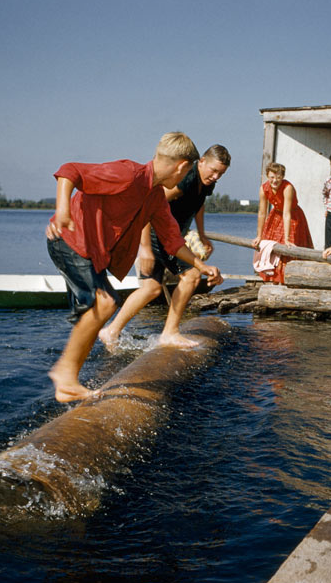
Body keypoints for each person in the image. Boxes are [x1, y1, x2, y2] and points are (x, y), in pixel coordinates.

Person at [45, 132, 223, 403]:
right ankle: (64, 376)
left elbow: (173, 241)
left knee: (106, 304)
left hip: (91, 253)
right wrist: (62, 211)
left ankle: (68, 379)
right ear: (182, 166)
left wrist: (201, 265)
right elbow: (70, 171)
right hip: (69, 240)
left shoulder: (154, 197)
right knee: (104, 303)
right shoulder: (127, 174)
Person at [99, 145, 231, 350]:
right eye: (213, 170)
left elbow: (199, 204)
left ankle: (111, 331)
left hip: (171, 237)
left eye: (221, 173)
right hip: (159, 236)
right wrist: (144, 248)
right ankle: (169, 332)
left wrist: (202, 235)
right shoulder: (187, 178)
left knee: (151, 289)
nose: (216, 176)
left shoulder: (205, 183)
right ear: (201, 162)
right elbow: (150, 204)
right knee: (192, 276)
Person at [252, 162, 313, 284]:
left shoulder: (287, 188)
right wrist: (259, 235)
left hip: (292, 216)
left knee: (288, 247)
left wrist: (287, 238)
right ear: (267, 176)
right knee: (268, 243)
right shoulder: (264, 188)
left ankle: (290, 278)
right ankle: (273, 278)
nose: (275, 181)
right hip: (275, 215)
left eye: (278, 177)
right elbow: (262, 213)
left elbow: (287, 213)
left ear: (283, 177)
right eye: (272, 177)